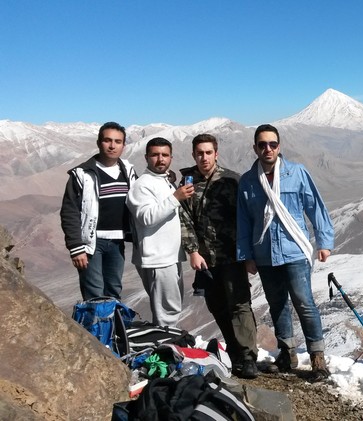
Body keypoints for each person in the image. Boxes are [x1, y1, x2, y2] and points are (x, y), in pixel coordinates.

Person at [236, 124, 335, 381]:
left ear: (279, 146)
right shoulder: (248, 181)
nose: (267, 149)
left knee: (304, 303)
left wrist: (324, 242)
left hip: (294, 251)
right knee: (277, 304)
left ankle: (317, 357)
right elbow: (243, 221)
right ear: (255, 148)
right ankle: (286, 353)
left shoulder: (297, 173)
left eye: (272, 144)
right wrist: (245, 254)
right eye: (262, 145)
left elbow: (316, 206)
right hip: (265, 253)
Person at [180, 133, 259, 379]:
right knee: (216, 305)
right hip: (205, 258)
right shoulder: (187, 182)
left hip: (232, 254)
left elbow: (246, 219)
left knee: (239, 304)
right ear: (194, 154)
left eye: (208, 152)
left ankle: (248, 357)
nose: (204, 157)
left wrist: (248, 254)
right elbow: (184, 219)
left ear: (216, 153)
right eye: (199, 153)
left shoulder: (232, 180)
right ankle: (234, 352)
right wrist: (192, 250)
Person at [60, 121, 137, 300]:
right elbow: (69, 211)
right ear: (99, 143)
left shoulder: (128, 171)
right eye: (107, 140)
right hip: (91, 244)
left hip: (117, 243)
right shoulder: (82, 174)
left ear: (124, 146)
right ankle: (93, 328)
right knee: (94, 293)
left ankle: (112, 329)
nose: (112, 146)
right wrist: (76, 247)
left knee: (114, 290)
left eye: (118, 142)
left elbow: (145, 196)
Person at [126, 137, 193, 327]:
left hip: (168, 256)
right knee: (167, 312)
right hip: (158, 258)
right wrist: (175, 198)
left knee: (170, 307)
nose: (160, 159)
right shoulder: (142, 185)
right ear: (146, 157)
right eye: (155, 155)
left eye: (165, 155)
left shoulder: (164, 181)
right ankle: (166, 350)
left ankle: (167, 346)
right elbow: (146, 217)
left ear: (171, 157)